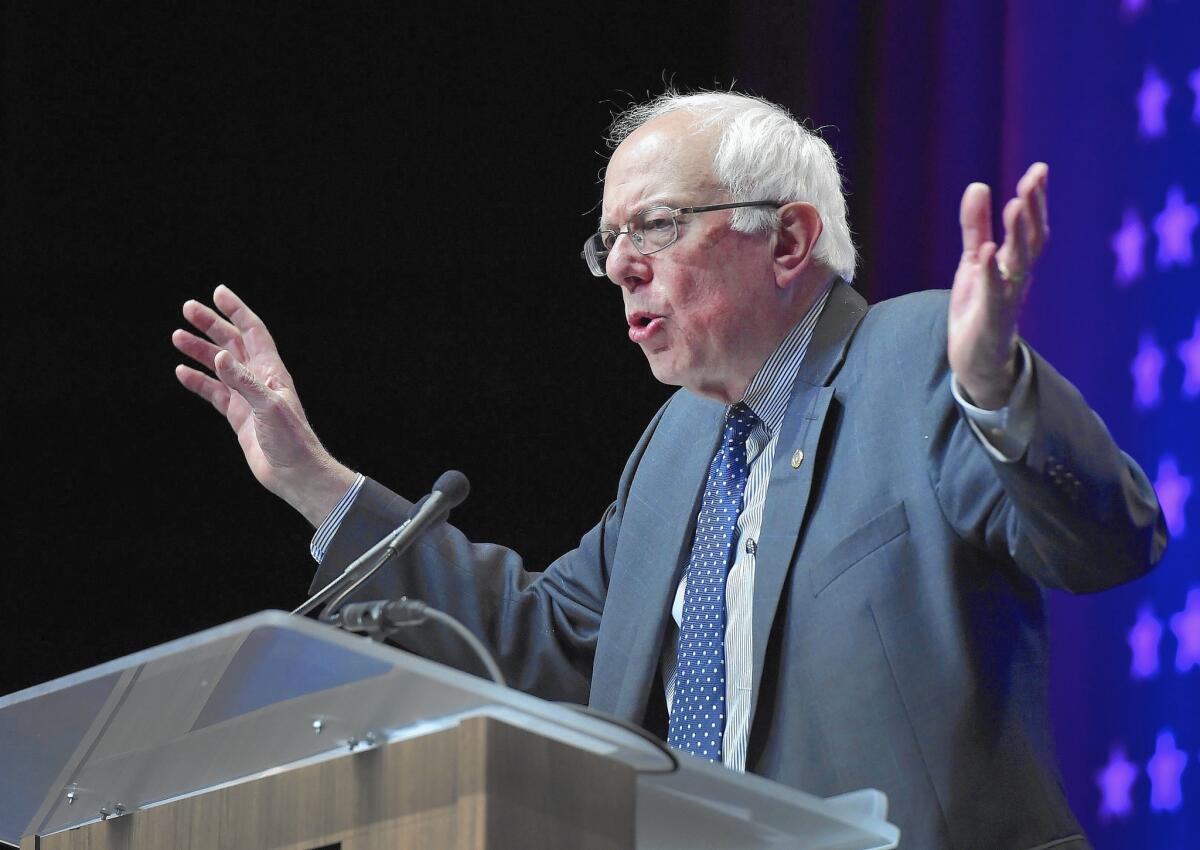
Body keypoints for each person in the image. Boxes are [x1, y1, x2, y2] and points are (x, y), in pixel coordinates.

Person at [174, 91, 1166, 849]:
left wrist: (996, 388)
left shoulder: (912, 359)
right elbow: (541, 641)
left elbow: (1110, 538)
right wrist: (314, 479)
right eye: (608, 242)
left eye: (652, 226)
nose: (618, 266)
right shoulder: (675, 446)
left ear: (786, 238)